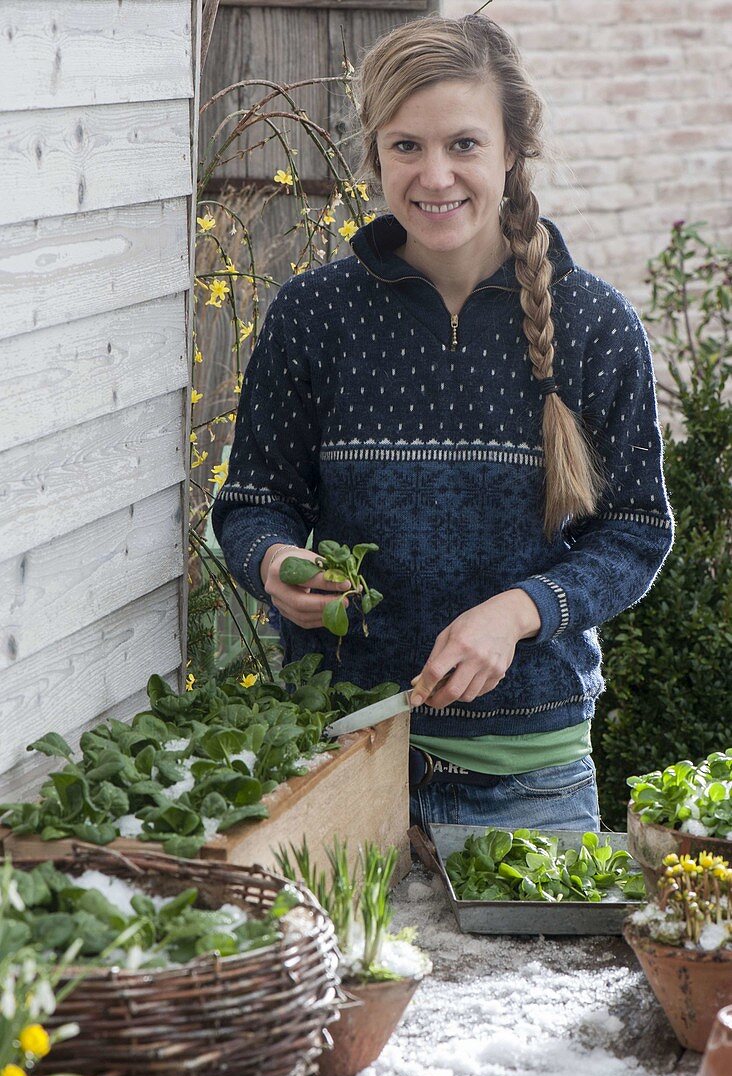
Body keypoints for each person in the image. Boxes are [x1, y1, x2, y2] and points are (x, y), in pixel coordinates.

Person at [212, 13, 673, 834]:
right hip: (335, 764)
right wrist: (278, 563)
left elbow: (635, 533)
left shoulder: (595, 324)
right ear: (375, 153)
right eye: (406, 146)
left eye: (463, 144)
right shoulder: (314, 316)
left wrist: (520, 610)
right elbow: (251, 503)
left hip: (529, 783)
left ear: (511, 151)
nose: (435, 175)